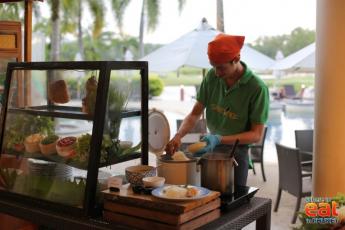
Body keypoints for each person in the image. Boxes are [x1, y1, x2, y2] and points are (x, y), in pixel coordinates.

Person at [165, 33, 269, 187]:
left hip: (236, 152)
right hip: (210, 147)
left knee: (232, 200)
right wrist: (178, 136)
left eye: (221, 67)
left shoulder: (257, 88)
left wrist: (219, 139)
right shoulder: (212, 77)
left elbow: (256, 135)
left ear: (236, 59)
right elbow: (195, 114)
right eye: (213, 66)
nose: (216, 72)